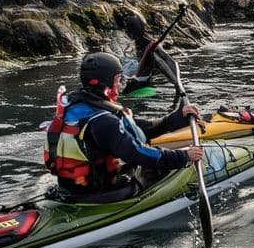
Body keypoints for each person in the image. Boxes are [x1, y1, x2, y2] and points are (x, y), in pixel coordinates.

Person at [43, 51, 206, 202]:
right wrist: (183, 157)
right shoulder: (104, 121)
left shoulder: (73, 107)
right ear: (107, 82)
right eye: (118, 79)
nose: (120, 85)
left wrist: (176, 118)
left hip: (70, 190)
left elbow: (130, 131)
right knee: (152, 167)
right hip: (102, 194)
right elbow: (136, 153)